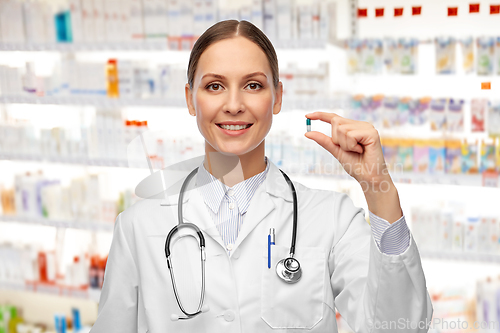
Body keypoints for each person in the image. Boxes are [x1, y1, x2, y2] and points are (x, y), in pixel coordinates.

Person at [90, 20, 433, 333]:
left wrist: (378, 187)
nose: (234, 104)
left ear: (277, 97)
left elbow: (400, 327)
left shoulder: (332, 219)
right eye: (214, 86)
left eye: (253, 85)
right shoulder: (137, 227)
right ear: (190, 99)